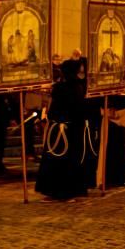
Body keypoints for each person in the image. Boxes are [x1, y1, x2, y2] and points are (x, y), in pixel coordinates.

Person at [36, 58, 91, 200]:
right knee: (71, 160)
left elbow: (54, 110)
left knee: (58, 161)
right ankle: (71, 189)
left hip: (60, 129)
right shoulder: (79, 87)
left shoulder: (60, 88)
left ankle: (58, 190)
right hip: (73, 129)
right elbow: (81, 110)